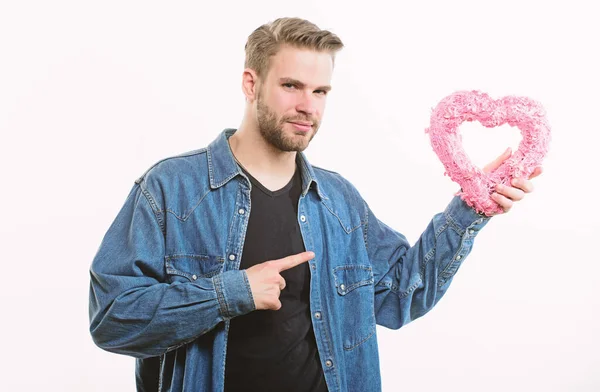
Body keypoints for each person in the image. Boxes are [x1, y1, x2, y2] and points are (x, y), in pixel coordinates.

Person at [88, 17, 542, 392]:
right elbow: (111, 319)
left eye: (321, 91)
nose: (308, 106)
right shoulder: (171, 188)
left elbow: (402, 296)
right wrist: (232, 293)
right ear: (251, 83)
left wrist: (472, 206)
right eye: (291, 85)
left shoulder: (338, 200)